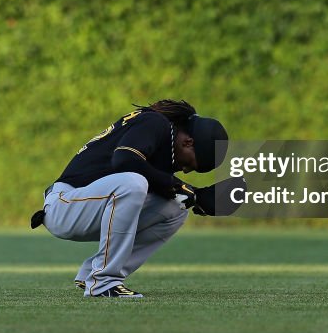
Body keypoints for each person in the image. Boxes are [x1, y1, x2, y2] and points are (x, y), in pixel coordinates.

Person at [29, 99, 228, 298]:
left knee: (176, 208)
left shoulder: (162, 144)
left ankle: (92, 272)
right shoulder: (155, 122)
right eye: (191, 164)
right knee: (134, 183)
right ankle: (103, 281)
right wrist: (179, 187)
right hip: (64, 204)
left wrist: (197, 197)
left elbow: (160, 183)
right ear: (188, 142)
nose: (185, 170)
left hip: (91, 206)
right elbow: (125, 160)